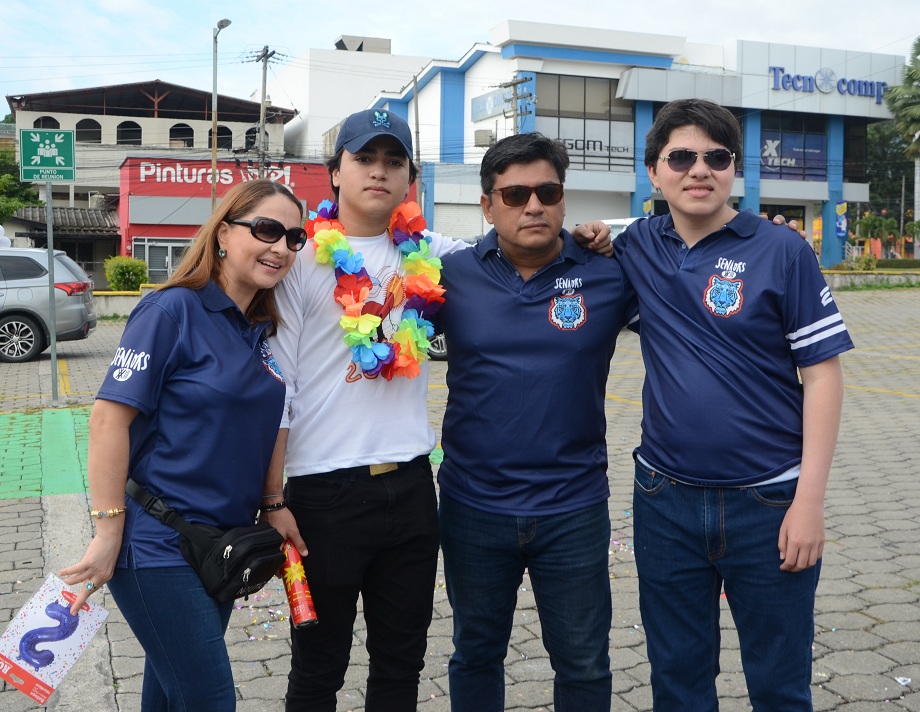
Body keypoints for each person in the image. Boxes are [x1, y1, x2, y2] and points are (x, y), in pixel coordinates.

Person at [262, 109, 614, 712]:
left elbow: (519, 237)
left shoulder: (435, 258)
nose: (378, 172)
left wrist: (592, 233)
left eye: (393, 162)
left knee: (401, 665)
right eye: (364, 160)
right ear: (335, 174)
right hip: (322, 495)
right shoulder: (299, 263)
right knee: (318, 668)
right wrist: (272, 498)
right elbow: (279, 388)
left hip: (412, 490)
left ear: (410, 180)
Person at [614, 98, 853, 710]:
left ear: (734, 170)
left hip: (769, 503)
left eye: (717, 157)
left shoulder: (782, 251)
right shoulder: (637, 246)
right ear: (655, 171)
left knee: (779, 684)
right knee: (678, 681)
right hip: (664, 502)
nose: (700, 169)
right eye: (682, 156)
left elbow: (822, 377)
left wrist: (809, 503)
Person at [58, 178, 306, 711]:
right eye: (266, 229)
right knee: (210, 698)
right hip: (156, 544)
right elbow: (107, 421)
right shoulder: (171, 310)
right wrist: (107, 531)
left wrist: (272, 502)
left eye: (293, 237)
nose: (281, 247)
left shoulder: (258, 329)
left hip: (221, 546)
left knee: (169, 696)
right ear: (222, 233)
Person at [435, 132, 635, 711]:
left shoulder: (608, 275)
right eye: (515, 193)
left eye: (547, 191)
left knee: (584, 661)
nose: (533, 205)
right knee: (475, 653)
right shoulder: (448, 276)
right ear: (487, 204)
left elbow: (691, 303)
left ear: (564, 199)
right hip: (474, 507)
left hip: (573, 507)